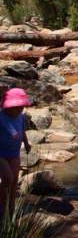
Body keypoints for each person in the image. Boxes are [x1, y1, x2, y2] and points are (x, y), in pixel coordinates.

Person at [0, 88, 32, 216]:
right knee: (8, 178)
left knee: (14, 182)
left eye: (21, 108)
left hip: (14, 153)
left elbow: (22, 131)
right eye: (15, 108)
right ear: (6, 106)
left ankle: (11, 207)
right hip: (1, 153)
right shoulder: (1, 116)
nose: (18, 110)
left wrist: (26, 142)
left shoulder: (21, 117)